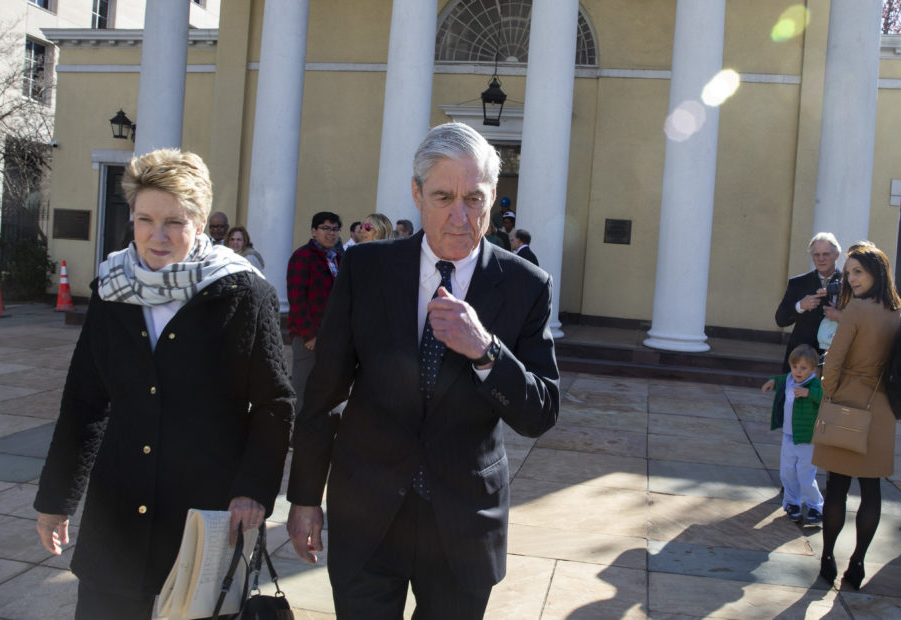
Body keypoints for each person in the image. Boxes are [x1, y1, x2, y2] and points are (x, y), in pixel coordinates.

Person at [285, 122, 560, 619]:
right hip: (367, 514)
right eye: (442, 196)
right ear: (416, 193)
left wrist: (486, 351)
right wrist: (304, 497)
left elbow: (540, 412)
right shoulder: (366, 268)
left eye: (474, 198)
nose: (460, 216)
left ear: (494, 196)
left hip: (463, 524)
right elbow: (323, 393)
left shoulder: (525, 284)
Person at [32, 149, 294, 619]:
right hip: (119, 503)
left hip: (204, 507)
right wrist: (56, 499)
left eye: (174, 221)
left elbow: (275, 402)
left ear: (200, 221)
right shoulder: (113, 290)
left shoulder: (242, 292)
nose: (157, 235)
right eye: (145, 219)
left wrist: (253, 488)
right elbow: (84, 400)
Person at [813, 244, 901, 591]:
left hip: (848, 398)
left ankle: (827, 557)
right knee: (871, 486)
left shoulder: (856, 310)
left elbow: (833, 360)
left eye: (858, 272)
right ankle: (859, 561)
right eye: (849, 272)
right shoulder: (898, 312)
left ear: (876, 273)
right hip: (882, 405)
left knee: (837, 485)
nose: (851, 278)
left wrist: (830, 392)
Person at [761, 344, 824, 525]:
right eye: (794, 366)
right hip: (788, 436)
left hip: (807, 438)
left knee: (805, 475)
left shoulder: (814, 384)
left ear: (813, 369)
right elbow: (780, 379)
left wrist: (809, 393)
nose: (798, 371)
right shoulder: (789, 379)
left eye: (803, 368)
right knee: (788, 472)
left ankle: (815, 506)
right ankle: (791, 503)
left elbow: (824, 398)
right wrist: (772, 381)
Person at [287, 212, 342, 415]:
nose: (331, 233)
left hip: (331, 337)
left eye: (335, 229)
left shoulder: (338, 257)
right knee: (303, 390)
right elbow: (296, 298)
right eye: (325, 228)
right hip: (308, 337)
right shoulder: (303, 256)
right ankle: (297, 437)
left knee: (326, 391)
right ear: (313, 231)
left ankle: (318, 435)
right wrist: (310, 334)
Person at [775, 233, 841, 371]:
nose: (821, 259)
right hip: (801, 358)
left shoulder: (849, 284)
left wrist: (840, 316)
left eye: (826, 254)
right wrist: (800, 306)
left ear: (837, 255)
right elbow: (780, 320)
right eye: (816, 255)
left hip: (834, 357)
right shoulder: (798, 283)